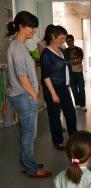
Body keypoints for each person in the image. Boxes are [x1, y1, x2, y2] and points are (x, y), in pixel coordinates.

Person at [6, 11, 52, 178]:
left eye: (35, 27)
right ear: (21, 26)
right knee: (29, 136)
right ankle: (32, 169)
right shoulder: (17, 47)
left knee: (25, 134)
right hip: (24, 96)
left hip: (22, 95)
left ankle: (26, 162)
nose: (34, 30)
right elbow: (21, 76)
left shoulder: (17, 45)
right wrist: (33, 94)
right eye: (31, 27)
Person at [40, 25, 77, 150]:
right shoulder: (46, 53)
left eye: (64, 39)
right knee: (55, 116)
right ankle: (58, 141)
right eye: (61, 38)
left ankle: (74, 137)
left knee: (71, 113)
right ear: (53, 37)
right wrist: (53, 93)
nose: (63, 41)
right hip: (53, 89)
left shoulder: (61, 50)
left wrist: (68, 86)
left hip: (64, 88)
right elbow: (45, 76)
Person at [65, 34, 87, 111]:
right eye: (67, 41)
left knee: (81, 89)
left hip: (79, 72)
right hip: (70, 73)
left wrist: (71, 61)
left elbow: (79, 60)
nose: (68, 43)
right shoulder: (65, 51)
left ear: (73, 40)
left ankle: (83, 105)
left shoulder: (79, 50)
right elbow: (66, 62)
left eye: (70, 41)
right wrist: (73, 61)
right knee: (74, 89)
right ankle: (77, 104)